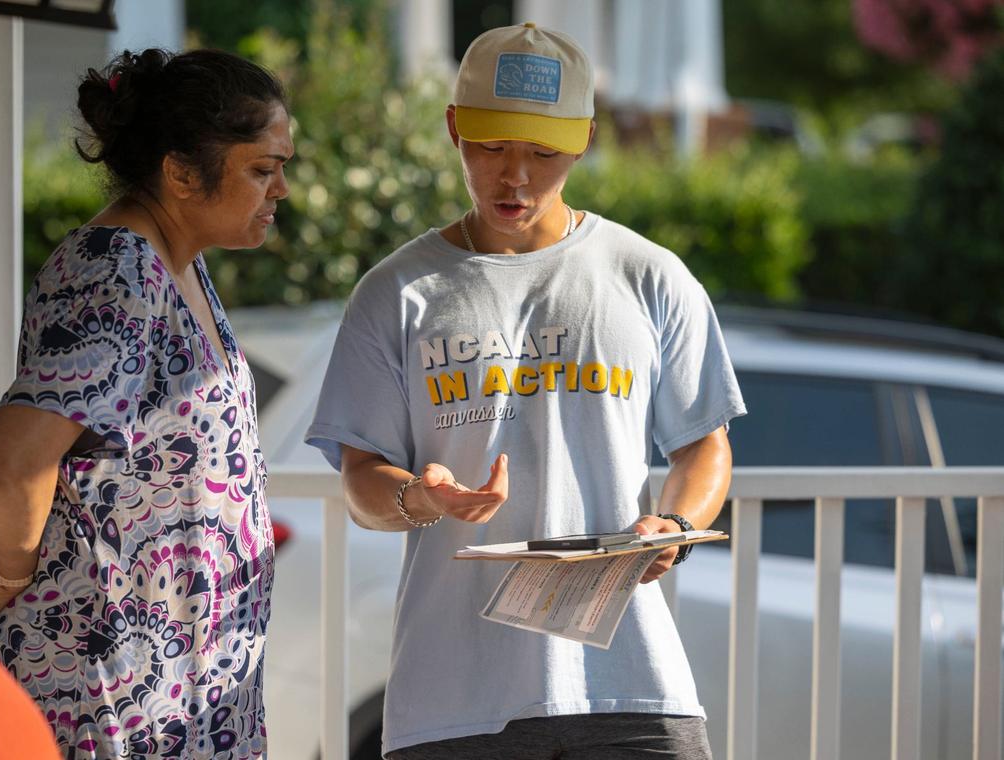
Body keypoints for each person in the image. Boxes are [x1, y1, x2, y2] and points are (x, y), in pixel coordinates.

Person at [306, 23, 745, 759]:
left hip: (630, 685)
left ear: (585, 140)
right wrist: (422, 496)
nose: (515, 176)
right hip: (453, 699)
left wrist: (673, 528)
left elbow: (705, 444)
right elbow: (359, 482)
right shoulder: (395, 293)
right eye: (491, 147)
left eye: (543, 154)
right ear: (453, 130)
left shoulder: (649, 274)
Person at [0, 48, 293, 758]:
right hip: (107, 691)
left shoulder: (173, 261)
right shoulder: (117, 269)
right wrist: (11, 572)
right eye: (262, 167)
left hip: (178, 687)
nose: (281, 188)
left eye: (285, 165)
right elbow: (12, 467)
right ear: (181, 172)